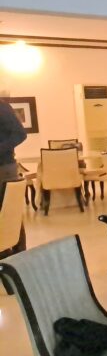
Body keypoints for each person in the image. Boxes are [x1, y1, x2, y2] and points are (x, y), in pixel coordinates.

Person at [0, 94, 27, 256]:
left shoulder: (2, 107)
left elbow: (20, 134)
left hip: (4, 166)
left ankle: (18, 252)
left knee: (9, 211)